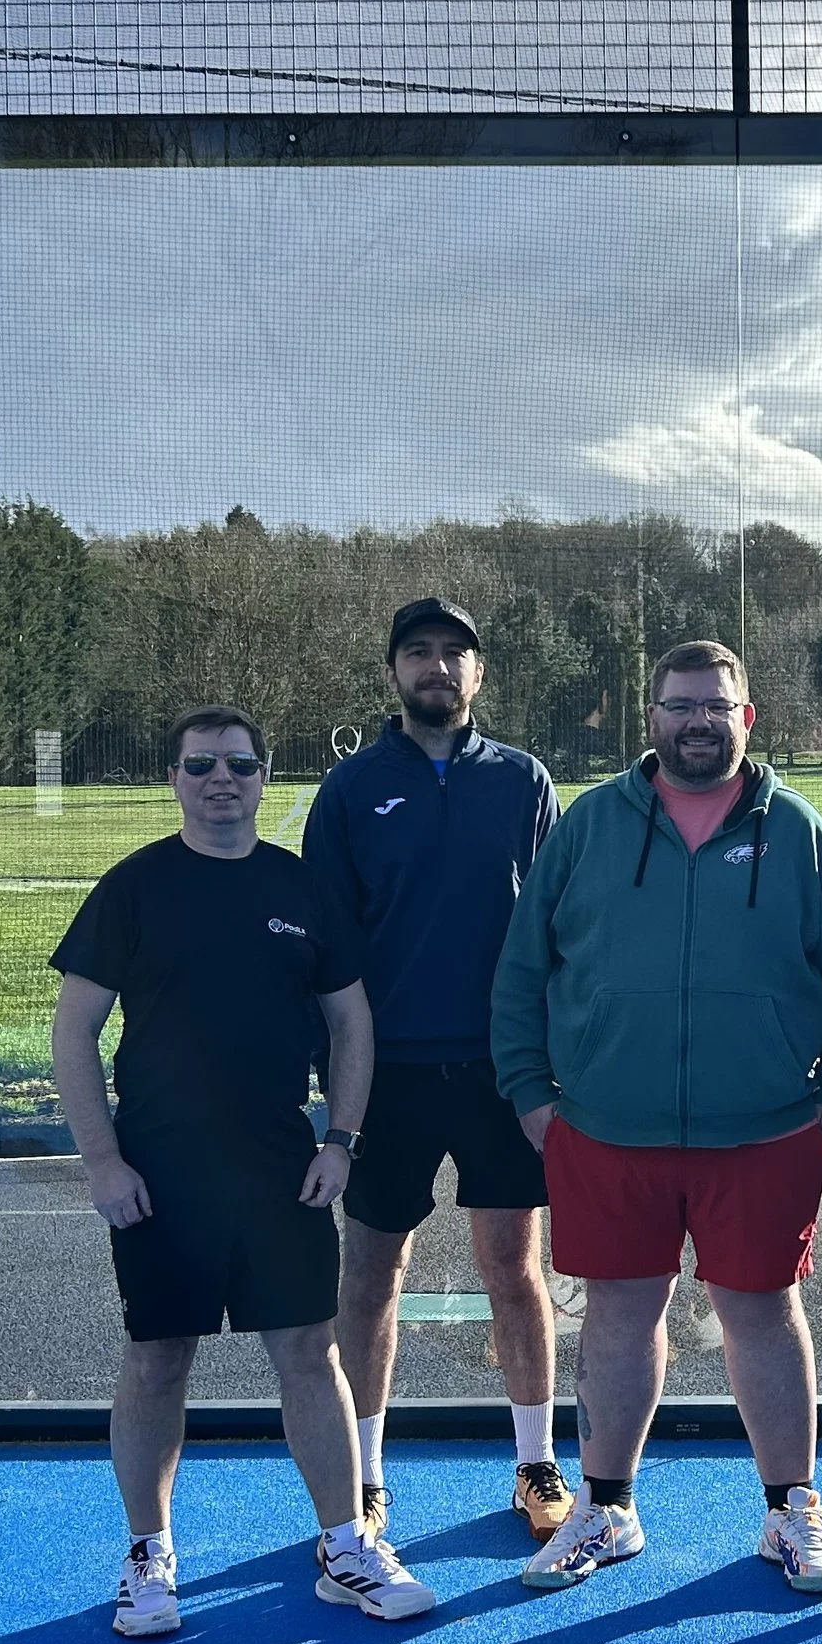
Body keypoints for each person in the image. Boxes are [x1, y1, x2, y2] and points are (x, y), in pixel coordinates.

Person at [50, 707, 435, 1639]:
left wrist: (340, 1137)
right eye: (201, 765)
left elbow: (352, 1022)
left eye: (241, 764)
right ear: (173, 778)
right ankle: (149, 1556)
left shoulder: (300, 889)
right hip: (158, 1174)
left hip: (280, 1170)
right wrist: (102, 1159)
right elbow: (72, 1030)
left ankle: (345, 1545)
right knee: (156, 1359)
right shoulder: (134, 888)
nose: (222, 779)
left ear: (266, 778)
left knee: (311, 1351)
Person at [490, 641, 822, 1595]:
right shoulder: (590, 828)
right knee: (619, 1311)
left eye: (717, 705)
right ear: (650, 716)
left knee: (764, 1312)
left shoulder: (802, 833)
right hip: (607, 1127)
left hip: (765, 1130)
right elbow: (523, 969)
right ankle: (607, 1508)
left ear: (749, 716)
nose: (699, 721)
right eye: (679, 704)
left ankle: (792, 1511)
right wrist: (535, 1097)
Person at [303, 597, 571, 1566]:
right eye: (418, 652)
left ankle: (537, 1465)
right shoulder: (350, 791)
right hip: (387, 1076)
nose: (438, 668)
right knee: (372, 1274)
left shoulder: (524, 783)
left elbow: (557, 930)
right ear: (392, 675)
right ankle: (365, 1477)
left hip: (504, 1071)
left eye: (455, 653)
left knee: (514, 1268)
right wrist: (332, 1089)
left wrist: (553, 1065)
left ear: (479, 674)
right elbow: (324, 952)